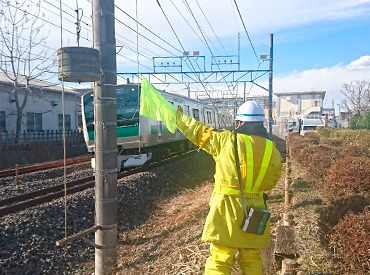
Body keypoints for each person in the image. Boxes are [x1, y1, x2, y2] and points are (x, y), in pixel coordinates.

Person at [176, 101, 283, 274]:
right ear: (261, 123)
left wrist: (179, 116)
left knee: (220, 259)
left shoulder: (225, 140)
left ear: (239, 122)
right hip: (255, 211)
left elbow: (196, 131)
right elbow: (271, 182)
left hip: (225, 211)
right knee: (252, 258)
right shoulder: (273, 150)